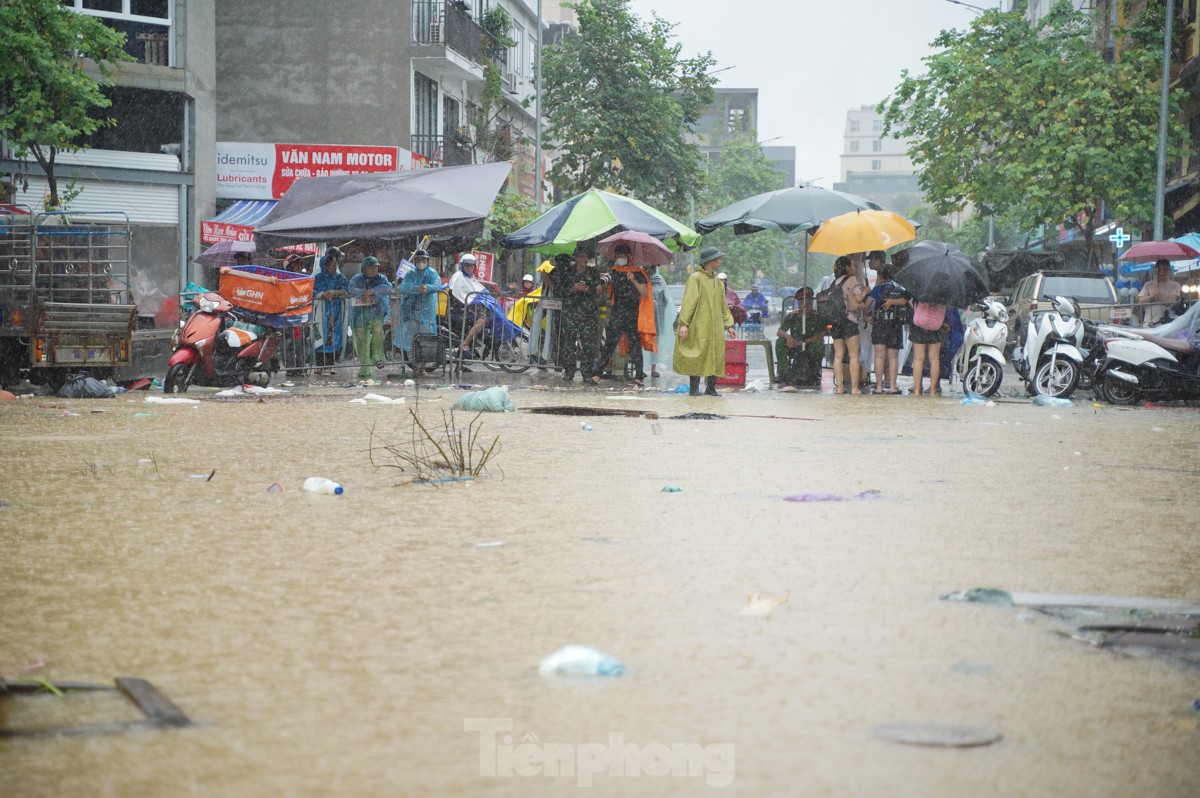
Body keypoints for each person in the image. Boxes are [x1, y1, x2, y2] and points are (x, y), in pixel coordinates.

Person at [675, 247, 735, 396]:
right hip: (698, 325)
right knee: (697, 354)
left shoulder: (717, 282)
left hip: (715, 327)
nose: (720, 261)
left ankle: (711, 388)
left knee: (715, 354)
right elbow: (689, 302)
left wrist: (729, 325)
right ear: (709, 261)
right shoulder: (695, 278)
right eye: (717, 258)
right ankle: (694, 389)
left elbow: (723, 305)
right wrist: (684, 324)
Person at [591, 244, 654, 386]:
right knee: (609, 344)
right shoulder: (613, 272)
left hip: (633, 313)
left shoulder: (638, 272)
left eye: (623, 256)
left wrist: (633, 280)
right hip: (617, 312)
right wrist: (600, 283)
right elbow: (602, 286)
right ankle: (597, 374)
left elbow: (644, 292)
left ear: (629, 257)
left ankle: (639, 376)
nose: (621, 259)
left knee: (634, 344)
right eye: (618, 256)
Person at [552, 250, 601, 382]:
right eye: (581, 257)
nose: (584, 259)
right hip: (570, 312)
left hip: (588, 314)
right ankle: (569, 371)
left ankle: (586, 372)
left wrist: (587, 289)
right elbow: (559, 290)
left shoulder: (593, 272)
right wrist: (573, 289)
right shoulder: (567, 272)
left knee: (587, 345)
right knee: (568, 343)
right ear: (576, 258)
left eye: (586, 256)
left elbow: (598, 290)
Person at [868, 261, 910, 394]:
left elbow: (867, 304)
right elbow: (907, 300)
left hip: (879, 325)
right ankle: (892, 387)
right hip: (895, 325)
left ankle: (879, 387)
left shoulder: (877, 289)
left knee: (879, 356)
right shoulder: (899, 289)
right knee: (893, 357)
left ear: (880, 276)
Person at [347, 256, 391, 380]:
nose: (373, 270)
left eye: (375, 267)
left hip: (376, 312)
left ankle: (377, 356)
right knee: (361, 339)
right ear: (364, 269)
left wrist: (372, 292)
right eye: (370, 268)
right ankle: (365, 366)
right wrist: (363, 293)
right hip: (359, 315)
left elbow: (388, 288)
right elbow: (351, 289)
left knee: (377, 332)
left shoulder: (382, 278)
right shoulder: (357, 279)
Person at [829, 255, 868, 395]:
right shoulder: (851, 279)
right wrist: (866, 292)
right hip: (849, 320)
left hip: (835, 321)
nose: (854, 267)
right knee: (853, 356)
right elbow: (858, 299)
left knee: (838, 355)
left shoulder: (834, 282)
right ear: (846, 267)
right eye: (852, 265)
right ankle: (854, 388)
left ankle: (839, 388)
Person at [396, 248, 441, 361]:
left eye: (423, 260)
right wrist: (416, 289)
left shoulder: (432, 273)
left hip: (427, 313)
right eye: (418, 260)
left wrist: (428, 287)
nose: (421, 262)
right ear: (415, 261)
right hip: (412, 311)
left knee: (426, 340)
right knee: (412, 339)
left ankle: (423, 365)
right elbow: (403, 287)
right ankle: (414, 363)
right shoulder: (410, 274)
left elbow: (437, 285)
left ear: (427, 261)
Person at [775, 287, 824, 388]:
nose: (806, 305)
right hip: (794, 345)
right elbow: (779, 331)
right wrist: (788, 337)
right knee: (780, 342)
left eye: (809, 302)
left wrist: (807, 341)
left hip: (810, 345)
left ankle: (815, 372)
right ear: (799, 303)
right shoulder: (792, 316)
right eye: (803, 302)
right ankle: (783, 374)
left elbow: (822, 333)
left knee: (819, 344)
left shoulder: (817, 317)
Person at [313, 247, 350, 373]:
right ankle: (319, 365)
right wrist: (322, 294)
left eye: (335, 264)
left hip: (336, 313)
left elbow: (347, 290)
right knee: (320, 337)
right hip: (321, 313)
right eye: (331, 264)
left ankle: (329, 365)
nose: (334, 267)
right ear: (324, 265)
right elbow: (311, 292)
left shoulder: (340, 278)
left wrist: (336, 292)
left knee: (333, 339)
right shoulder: (317, 278)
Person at [448, 253, 489, 355]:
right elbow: (462, 297)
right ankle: (465, 344)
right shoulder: (459, 277)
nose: (470, 268)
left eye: (472, 265)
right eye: (467, 265)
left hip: (464, 311)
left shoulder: (469, 278)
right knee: (481, 321)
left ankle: (460, 365)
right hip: (457, 312)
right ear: (462, 266)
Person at [909, 298, 948, 396]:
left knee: (918, 359)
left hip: (920, 324)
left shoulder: (921, 287)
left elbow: (908, 299)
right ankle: (933, 390)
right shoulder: (945, 290)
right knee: (934, 359)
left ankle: (917, 390)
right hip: (936, 325)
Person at [647, 263, 677, 378]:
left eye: (654, 266)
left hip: (657, 317)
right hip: (645, 316)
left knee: (655, 342)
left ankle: (653, 367)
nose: (652, 268)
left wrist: (657, 305)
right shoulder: (642, 278)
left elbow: (665, 299)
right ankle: (641, 367)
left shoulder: (660, 280)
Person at [1137, 259, 1182, 325]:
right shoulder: (1148, 284)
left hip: (1168, 322)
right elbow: (1140, 301)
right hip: (1150, 321)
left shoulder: (1175, 285)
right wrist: (1152, 296)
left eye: (1165, 270)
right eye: (1159, 270)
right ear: (1156, 270)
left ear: (1169, 270)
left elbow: (1171, 300)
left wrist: (1153, 299)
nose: (1162, 273)